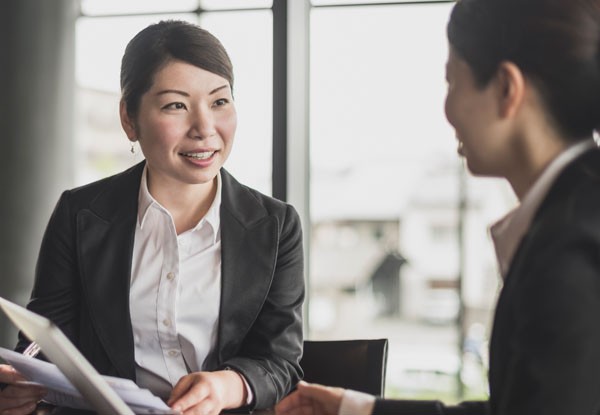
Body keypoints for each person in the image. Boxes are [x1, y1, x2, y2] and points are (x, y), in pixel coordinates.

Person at [275, 0, 600, 414]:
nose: (446, 110)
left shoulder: (569, 249)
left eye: (452, 83)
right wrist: (359, 410)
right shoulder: (573, 213)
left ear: (506, 88)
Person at [0, 20, 305, 415]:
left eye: (219, 101)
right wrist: (22, 381)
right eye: (176, 105)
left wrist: (229, 386)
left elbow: (280, 361)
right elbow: (43, 339)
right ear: (129, 118)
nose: (205, 128)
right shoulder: (80, 214)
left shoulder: (276, 226)